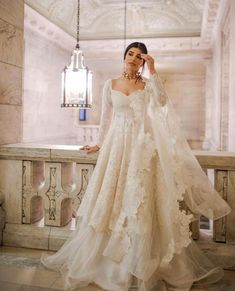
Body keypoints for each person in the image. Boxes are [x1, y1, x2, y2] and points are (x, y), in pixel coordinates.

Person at [42, 42, 231, 291]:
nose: (133, 58)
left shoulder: (147, 84)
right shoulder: (110, 84)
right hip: (117, 147)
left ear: (143, 61)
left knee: (140, 202)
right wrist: (99, 143)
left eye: (139, 56)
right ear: (124, 56)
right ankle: (107, 261)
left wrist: (153, 70)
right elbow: (105, 120)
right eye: (130, 54)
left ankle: (140, 259)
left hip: (142, 148)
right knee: (114, 198)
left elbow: (163, 103)